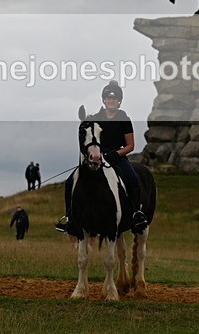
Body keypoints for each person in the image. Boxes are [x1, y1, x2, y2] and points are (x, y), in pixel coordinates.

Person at [56, 81, 149, 234]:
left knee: (132, 178)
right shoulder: (97, 117)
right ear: (104, 100)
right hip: (98, 155)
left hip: (117, 156)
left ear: (119, 101)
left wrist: (115, 154)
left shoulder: (124, 118)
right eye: (108, 98)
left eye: (114, 98)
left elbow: (130, 145)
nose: (111, 101)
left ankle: (136, 213)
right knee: (69, 182)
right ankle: (70, 217)